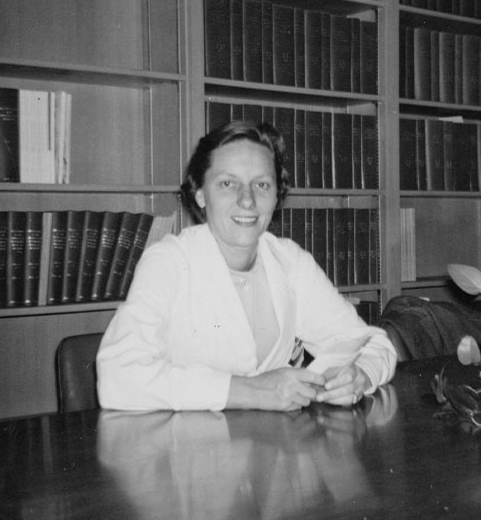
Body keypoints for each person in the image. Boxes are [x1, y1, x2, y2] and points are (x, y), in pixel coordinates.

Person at [96, 121, 397, 411]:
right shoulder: (169, 261)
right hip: (188, 452)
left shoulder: (289, 260)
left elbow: (372, 343)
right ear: (200, 193)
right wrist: (252, 392)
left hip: (274, 448)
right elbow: (118, 376)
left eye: (262, 185)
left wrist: (359, 376)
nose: (248, 200)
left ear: (277, 194)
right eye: (228, 183)